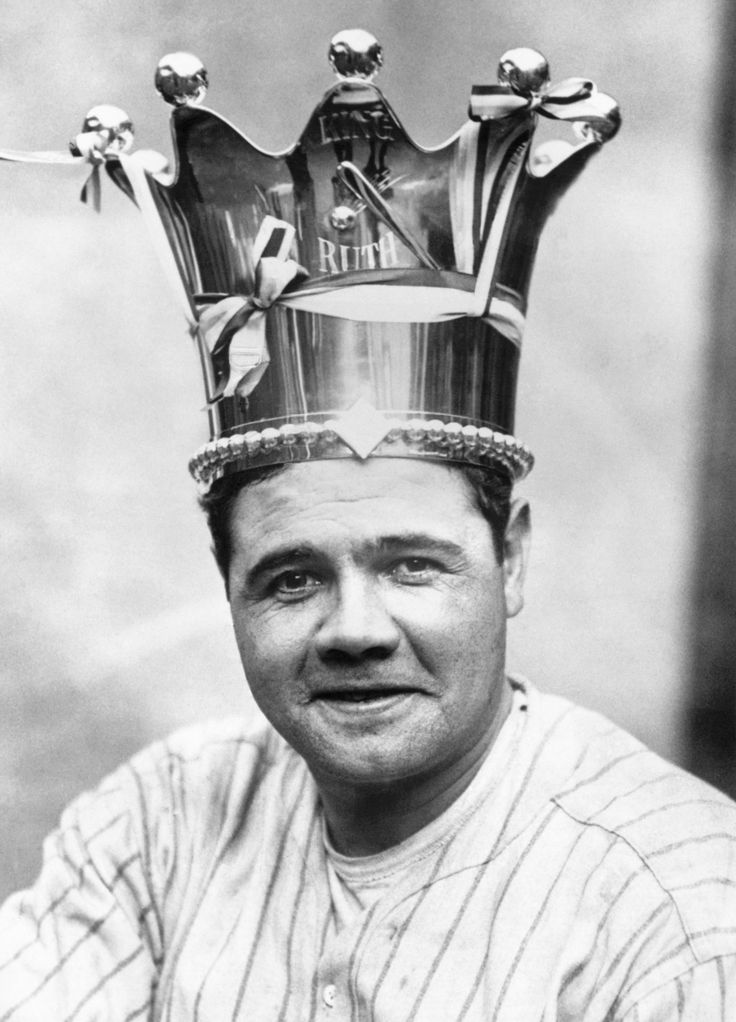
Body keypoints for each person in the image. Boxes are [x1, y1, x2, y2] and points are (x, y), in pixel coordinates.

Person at [2, 30, 736, 1022]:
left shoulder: (679, 906)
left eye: (412, 564)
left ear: (509, 555)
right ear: (226, 584)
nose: (355, 628)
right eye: (291, 577)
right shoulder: (160, 822)